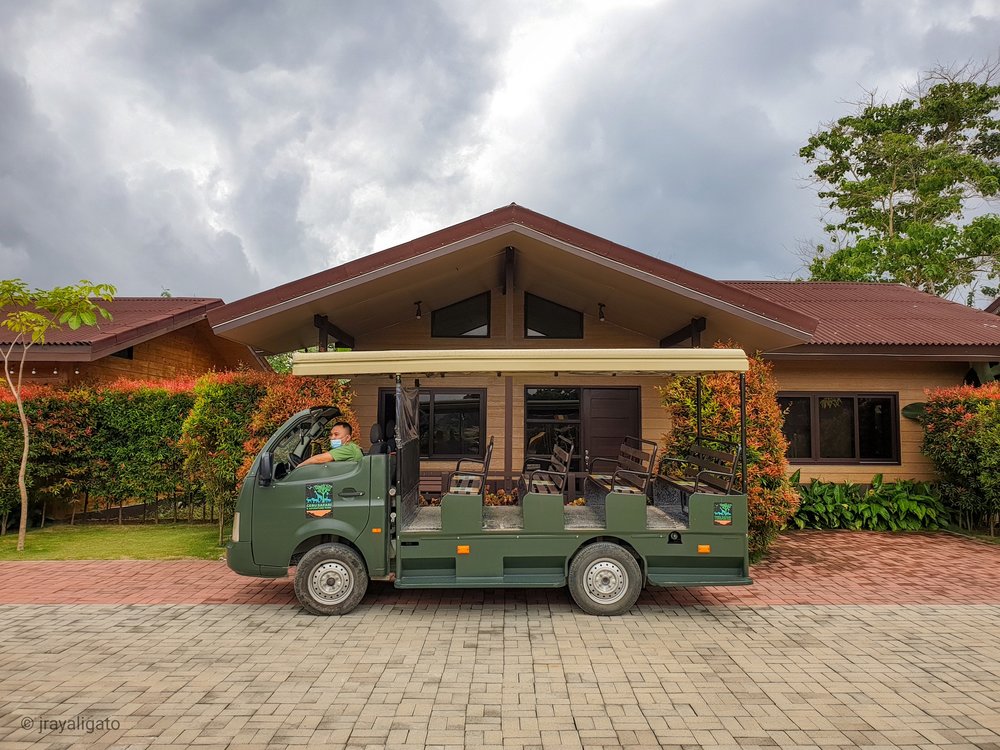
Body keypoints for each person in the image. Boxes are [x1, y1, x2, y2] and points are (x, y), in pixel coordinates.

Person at [298, 421, 363, 465]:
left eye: (336, 434)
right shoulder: (351, 447)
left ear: (348, 438)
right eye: (331, 434)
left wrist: (298, 468)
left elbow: (318, 459)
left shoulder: (348, 448)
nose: (332, 437)